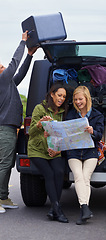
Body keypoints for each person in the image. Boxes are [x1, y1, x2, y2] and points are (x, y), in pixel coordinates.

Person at [0, 31, 38, 213]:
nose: (4, 66)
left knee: (8, 162)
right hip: (5, 128)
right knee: (5, 162)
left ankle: (4, 196)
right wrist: (22, 43)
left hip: (11, 127)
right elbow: (15, 64)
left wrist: (30, 55)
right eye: (1, 65)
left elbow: (20, 72)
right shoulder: (1, 80)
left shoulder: (8, 83)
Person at [27, 83, 69, 223]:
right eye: (59, 95)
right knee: (49, 174)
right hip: (38, 150)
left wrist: (57, 149)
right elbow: (31, 132)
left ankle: (53, 209)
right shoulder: (40, 108)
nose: (61, 98)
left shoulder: (63, 112)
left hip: (54, 150)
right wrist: (39, 124)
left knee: (58, 171)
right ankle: (57, 209)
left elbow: (63, 134)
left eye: (64, 96)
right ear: (52, 94)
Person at [65, 86, 104, 225]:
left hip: (91, 152)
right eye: (75, 99)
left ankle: (84, 209)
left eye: (80, 99)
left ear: (87, 98)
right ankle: (85, 208)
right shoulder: (71, 114)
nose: (77, 102)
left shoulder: (98, 115)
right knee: (78, 176)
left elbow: (99, 136)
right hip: (74, 151)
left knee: (85, 177)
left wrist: (93, 131)